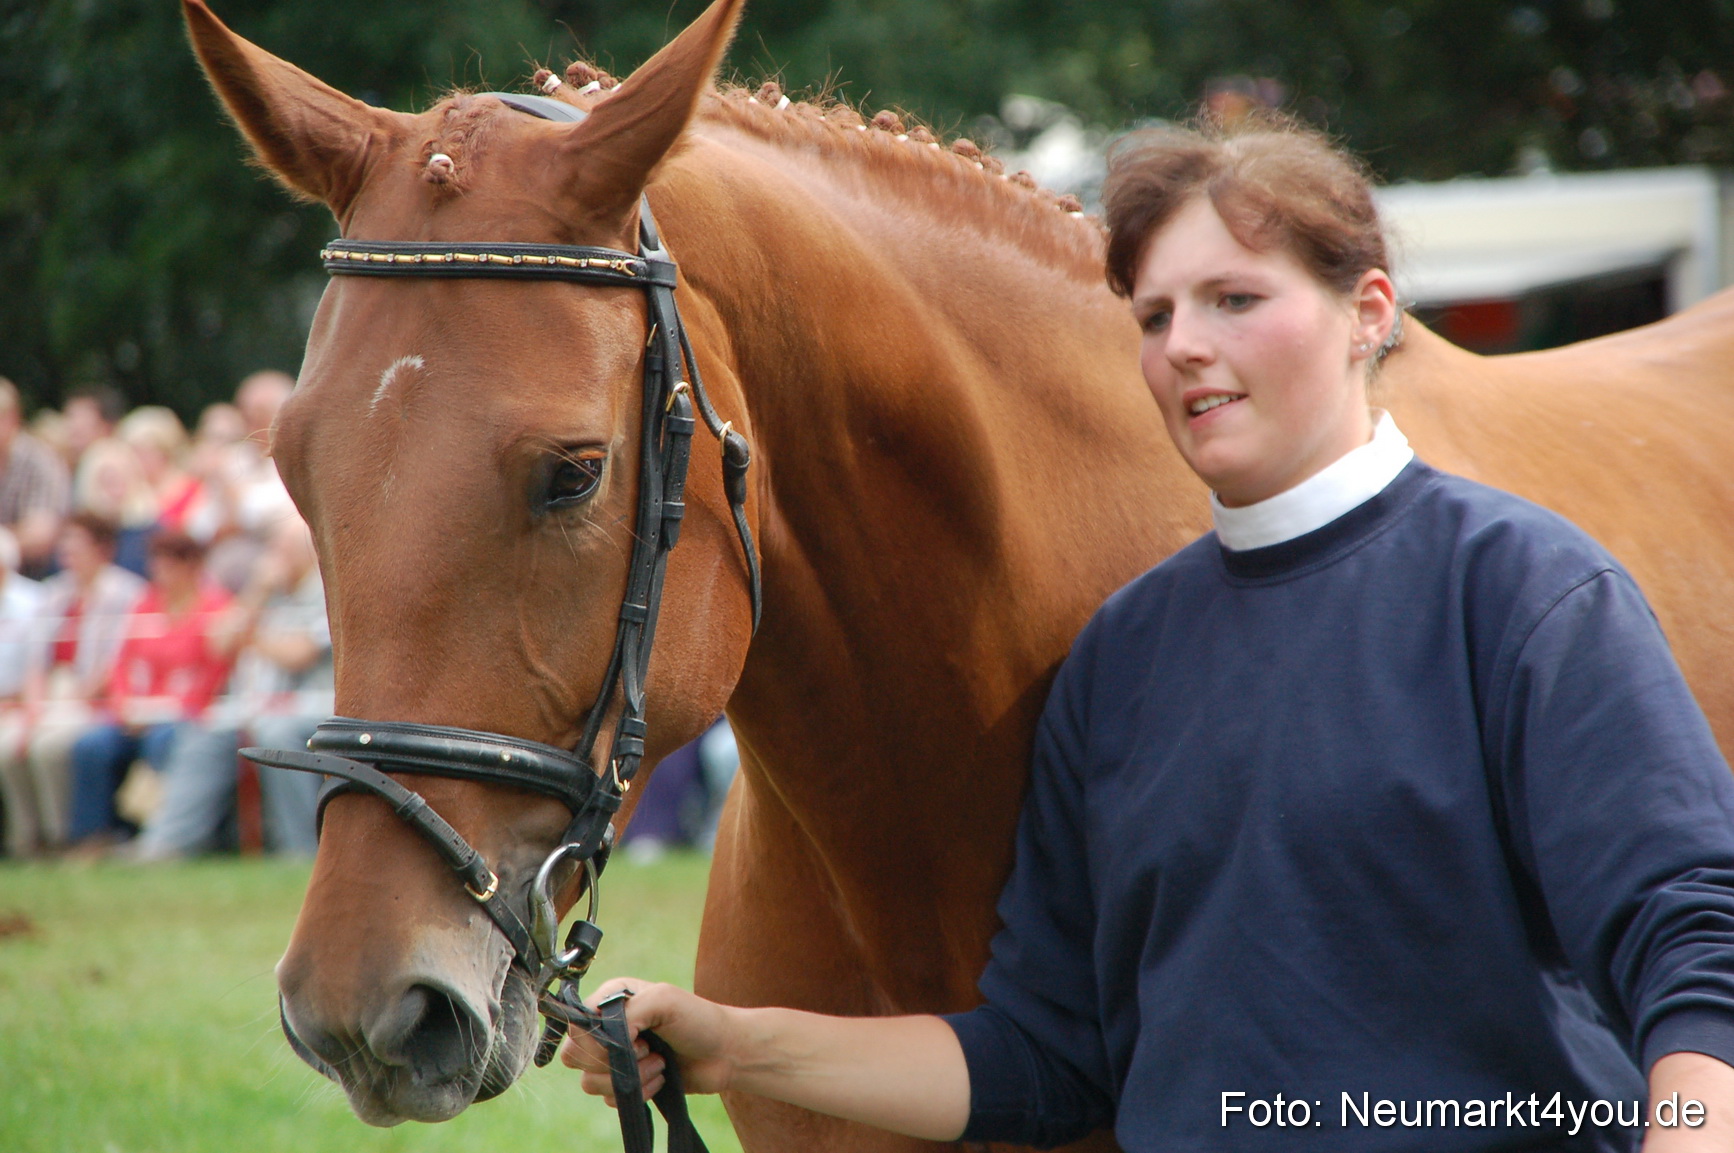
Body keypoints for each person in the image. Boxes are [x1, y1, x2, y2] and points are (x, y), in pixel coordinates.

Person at [559, 116, 1734, 1152]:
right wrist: (731, 1042)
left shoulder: (1527, 589)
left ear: (1368, 312)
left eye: (1236, 300)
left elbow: (1697, 955)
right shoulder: (1121, 660)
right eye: (1157, 313)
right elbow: (1046, 1057)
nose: (1182, 345)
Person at [130, 516, 330, 860]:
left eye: (284, 549)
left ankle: (298, 849)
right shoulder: (267, 593)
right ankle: (166, 844)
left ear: (309, 552)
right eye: (274, 549)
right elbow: (220, 642)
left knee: (275, 734)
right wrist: (257, 591)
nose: (276, 558)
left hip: (313, 705)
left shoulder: (325, 592)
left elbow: (298, 655)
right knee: (204, 732)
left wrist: (249, 637)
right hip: (254, 706)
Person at [62, 530, 233, 852]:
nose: (160, 572)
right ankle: (94, 836)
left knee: (163, 743)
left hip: (187, 715)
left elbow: (216, 671)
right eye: (156, 563)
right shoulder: (146, 603)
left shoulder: (216, 605)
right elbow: (122, 664)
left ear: (191, 566)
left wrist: (174, 709)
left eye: (170, 564)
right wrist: (123, 704)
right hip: (137, 713)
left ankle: (153, 834)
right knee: (91, 746)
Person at [0, 513, 143, 856]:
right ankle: (27, 837)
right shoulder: (53, 593)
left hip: (93, 698)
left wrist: (76, 699)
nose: (68, 552)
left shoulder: (126, 593)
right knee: (8, 747)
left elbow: (118, 659)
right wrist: (35, 708)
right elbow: (36, 659)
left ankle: (63, 834)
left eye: (76, 545)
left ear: (101, 549)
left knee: (47, 749)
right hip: (52, 694)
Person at [0, 377, 71, 579]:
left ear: (12, 418)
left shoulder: (40, 462)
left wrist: (4, 542)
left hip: (34, 580)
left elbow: (41, 537)